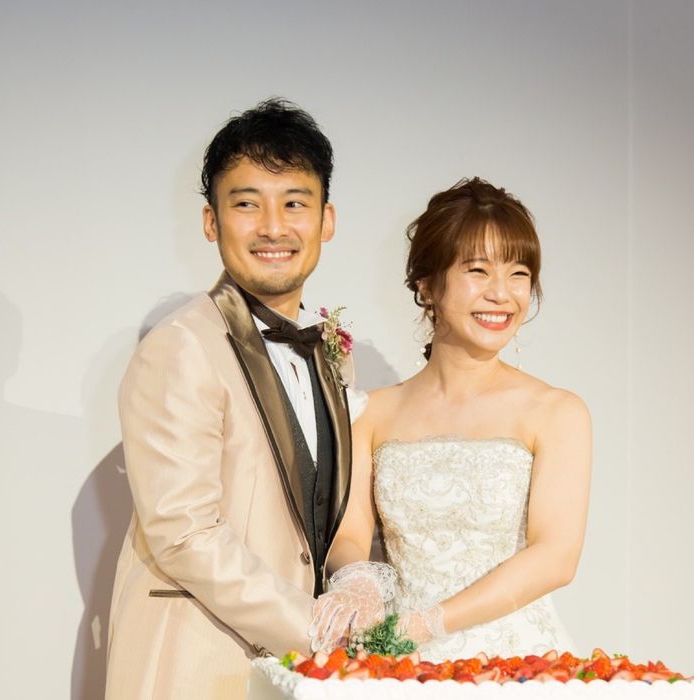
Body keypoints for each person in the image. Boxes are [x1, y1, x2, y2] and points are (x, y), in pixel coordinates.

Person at [104, 98, 373, 700]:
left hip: (296, 678)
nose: (273, 227)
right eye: (247, 204)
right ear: (211, 221)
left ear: (327, 220)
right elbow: (184, 533)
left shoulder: (331, 353)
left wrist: (358, 587)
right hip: (195, 667)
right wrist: (317, 632)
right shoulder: (181, 346)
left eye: (294, 203)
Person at [311, 177, 592, 661]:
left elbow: (556, 557)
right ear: (427, 285)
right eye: (478, 270)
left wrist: (431, 622)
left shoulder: (556, 412)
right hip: (400, 657)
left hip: (517, 662)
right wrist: (359, 583)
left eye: (519, 273)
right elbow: (349, 534)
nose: (501, 294)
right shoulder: (373, 412)